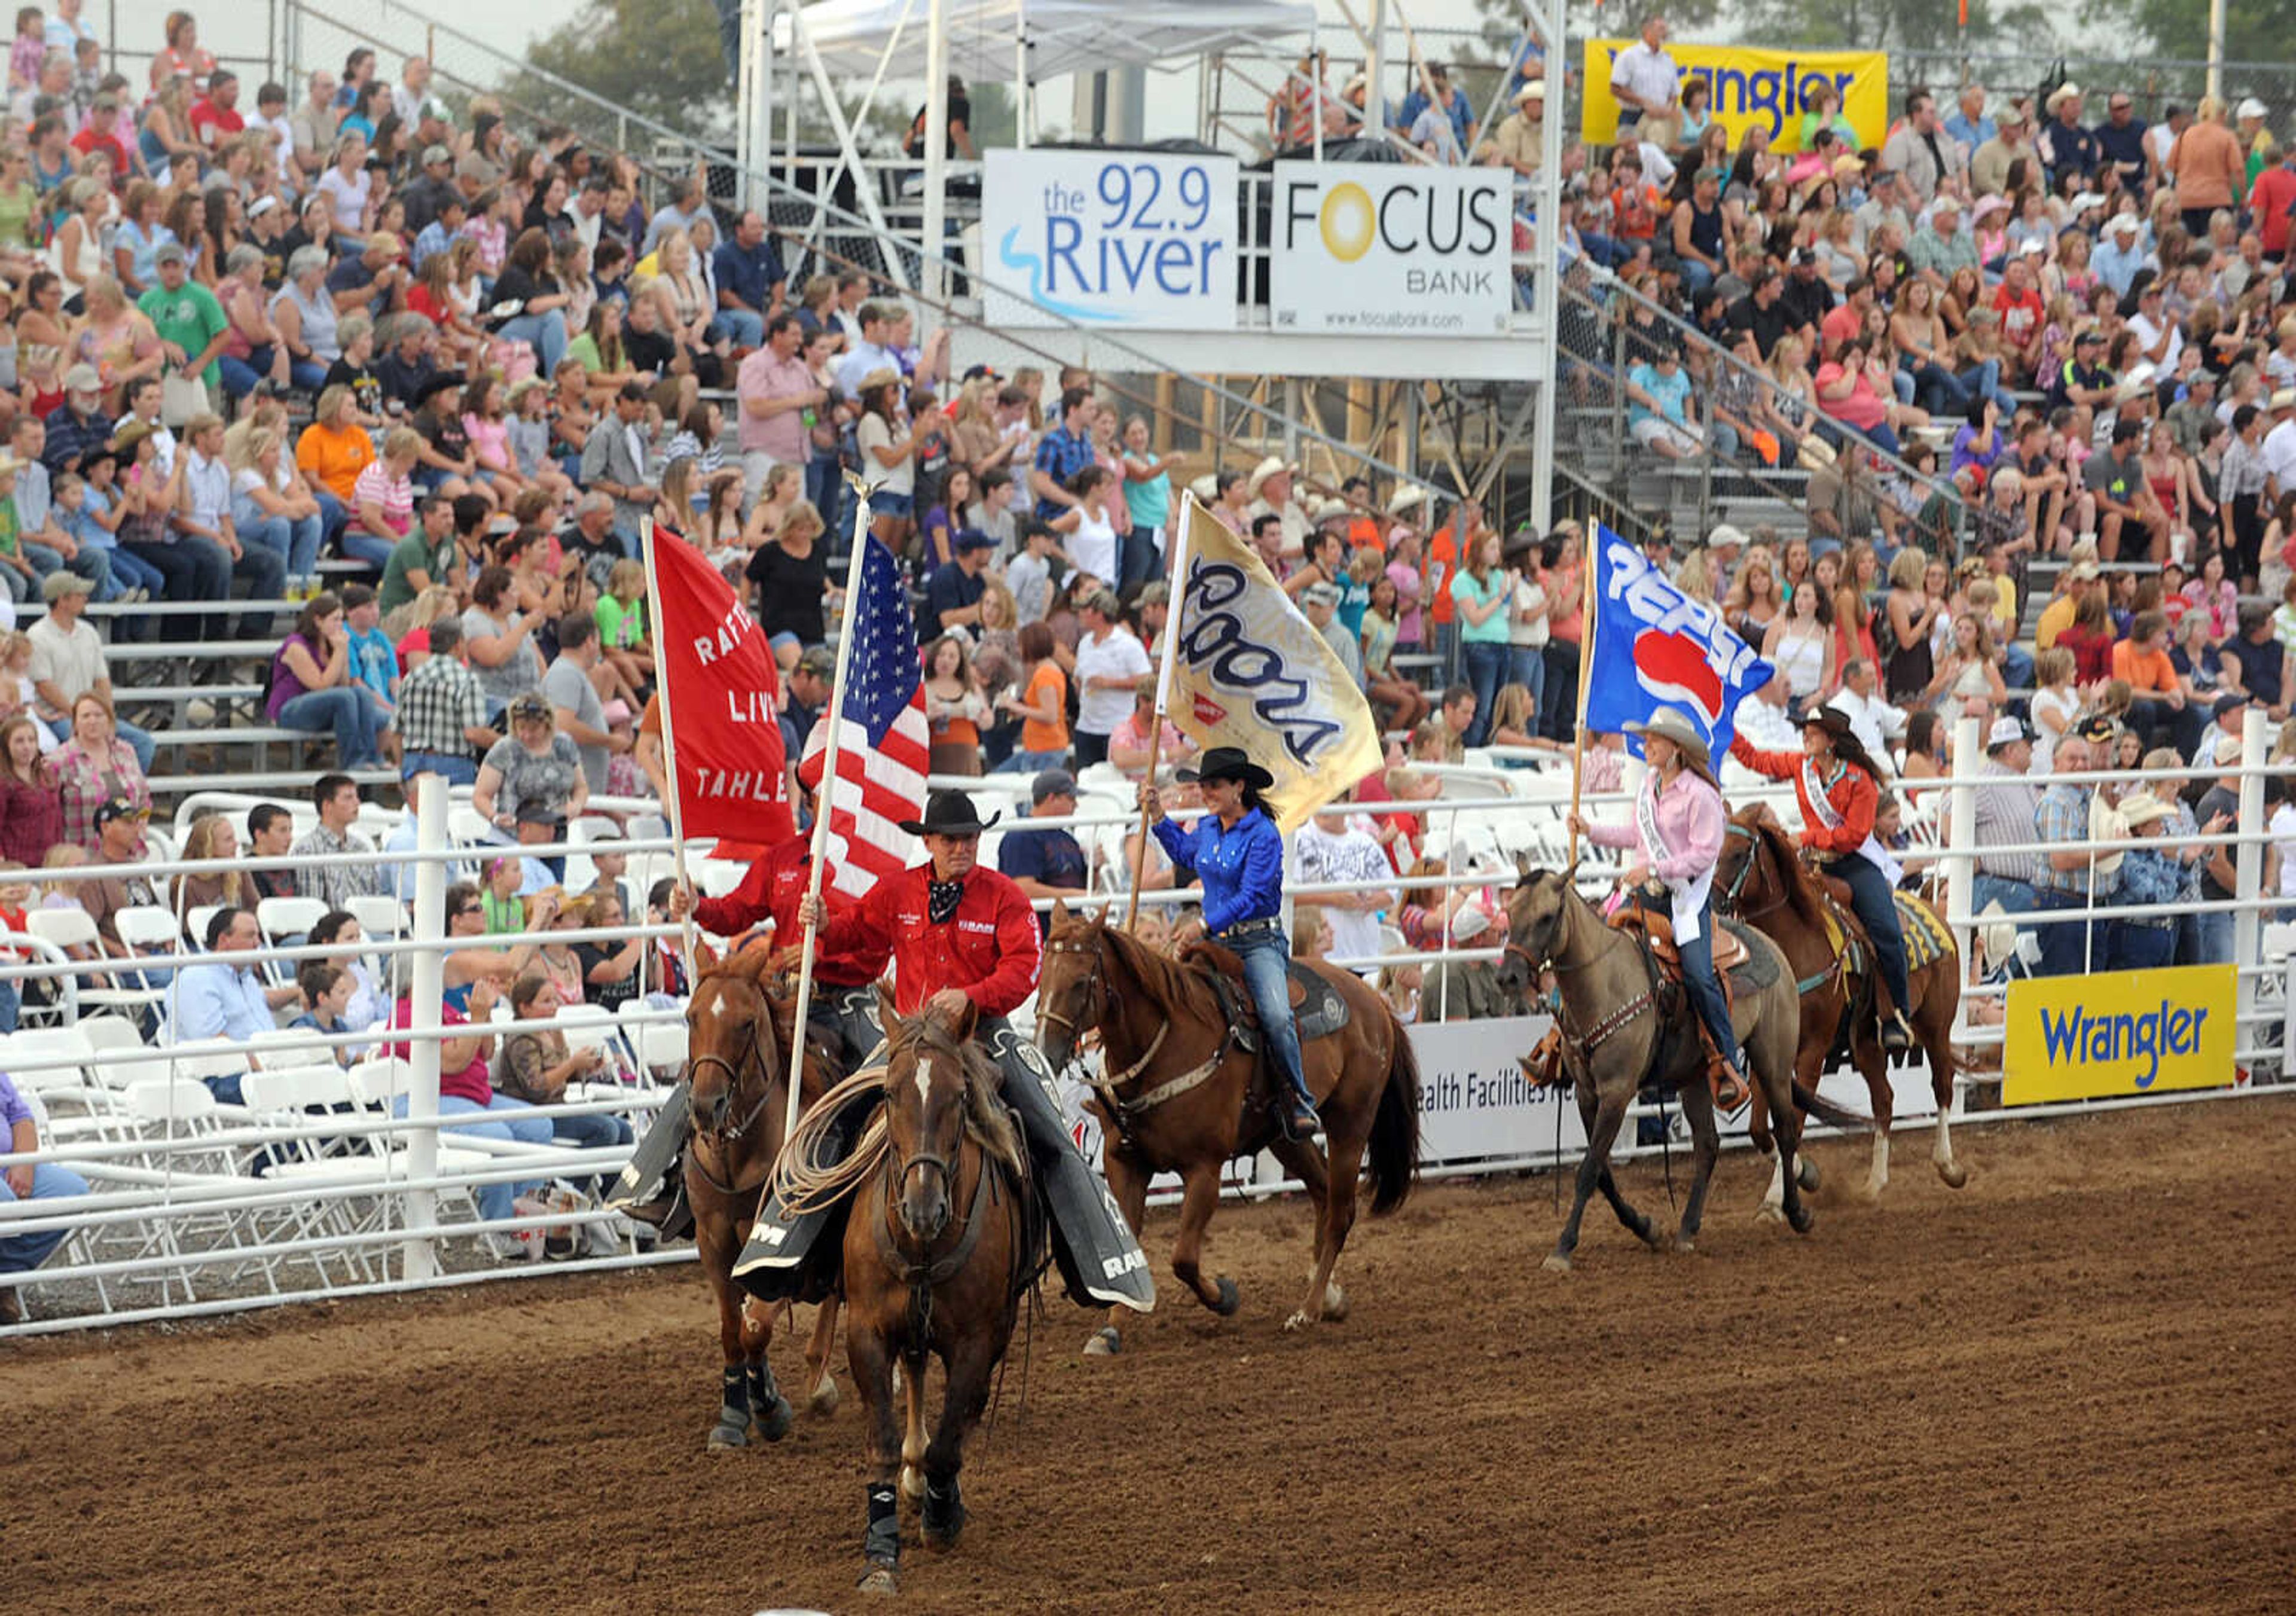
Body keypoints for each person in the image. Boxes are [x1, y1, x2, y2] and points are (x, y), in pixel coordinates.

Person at [764, 789, 1152, 1313]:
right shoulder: (898, 891)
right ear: (929, 842)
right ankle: (799, 1257)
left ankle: (1089, 1260)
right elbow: (857, 931)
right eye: (950, 840)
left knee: (1049, 1131)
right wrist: (825, 921)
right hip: (910, 1042)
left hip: (982, 1034)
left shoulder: (1003, 896)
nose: (961, 848)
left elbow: (1023, 969)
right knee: (836, 1122)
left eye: (969, 838)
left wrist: (971, 996)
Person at [1570, 708, 1748, 1108]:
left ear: (1677, 749)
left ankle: (1728, 1059)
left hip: (1685, 898)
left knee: (1700, 976)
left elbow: (1704, 856)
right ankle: (1562, 1042)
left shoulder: (1701, 796)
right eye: (1648, 739)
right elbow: (1636, 834)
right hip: (1646, 891)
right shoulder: (1649, 785)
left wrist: (1653, 867)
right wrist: (1591, 830)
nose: (1646, 745)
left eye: (1655, 739)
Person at [1140, 748, 1319, 1141]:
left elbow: (1253, 896)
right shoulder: (1206, 828)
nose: (1206, 792)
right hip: (1215, 941)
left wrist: (1203, 923)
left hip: (1258, 942)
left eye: (1214, 785)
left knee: (1274, 1014)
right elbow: (1185, 853)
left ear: (1240, 786)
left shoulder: (1265, 835)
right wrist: (1157, 817)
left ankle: (1298, 1098)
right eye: (1203, 785)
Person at [1730, 708, 1914, 1051]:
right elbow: (1756, 760)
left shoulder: (1860, 779)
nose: (1805, 737)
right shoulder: (1802, 766)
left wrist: (1809, 837)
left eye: (1813, 733)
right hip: (1815, 864)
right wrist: (1728, 731)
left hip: (1854, 865)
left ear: (1831, 740)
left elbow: (1855, 836)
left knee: (1887, 932)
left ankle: (1896, 1015)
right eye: (1805, 732)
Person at [0, 1066, 88, 1324]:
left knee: (71, 1192)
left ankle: (6, 1278)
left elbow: (21, 1117)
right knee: (4, 1201)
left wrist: (24, 1163)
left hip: (9, 1163)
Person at [997, 768, 1087, 928]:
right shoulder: (1021, 835)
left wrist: (1094, 867)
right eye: (1071, 798)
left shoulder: (1068, 839)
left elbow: (1084, 886)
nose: (1077, 804)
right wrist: (1078, 896)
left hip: (1069, 932)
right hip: (1038, 931)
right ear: (1052, 798)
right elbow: (1024, 889)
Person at [290, 773, 382, 909]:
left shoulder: (361, 847)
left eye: (356, 797)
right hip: (330, 928)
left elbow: (375, 897)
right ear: (327, 805)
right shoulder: (307, 850)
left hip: (368, 925)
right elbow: (312, 909)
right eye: (348, 798)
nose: (357, 802)